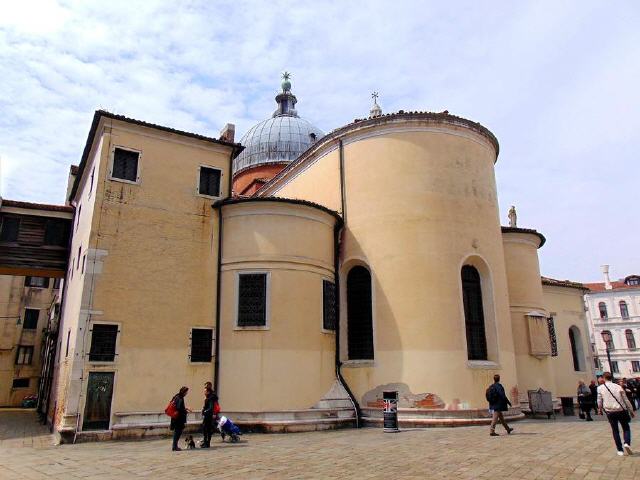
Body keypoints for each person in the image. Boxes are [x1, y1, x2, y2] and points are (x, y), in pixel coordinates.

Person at [597, 372, 635, 456]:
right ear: (612, 378)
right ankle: (627, 443)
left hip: (610, 412)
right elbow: (626, 400)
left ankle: (620, 450)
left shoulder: (600, 388)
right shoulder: (618, 387)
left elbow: (599, 400)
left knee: (615, 430)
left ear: (604, 378)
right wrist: (631, 411)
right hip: (621, 410)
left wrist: (599, 409)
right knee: (626, 428)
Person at [170, 386, 191, 451]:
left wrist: (185, 408)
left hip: (175, 417)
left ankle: (174, 446)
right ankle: (174, 446)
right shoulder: (180, 398)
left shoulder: (176, 396)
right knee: (177, 432)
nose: (186, 393)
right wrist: (185, 411)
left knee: (177, 432)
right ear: (184, 392)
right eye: (186, 392)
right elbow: (179, 408)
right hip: (178, 418)